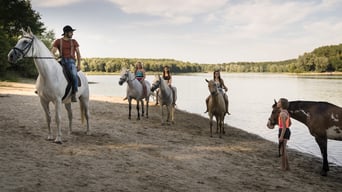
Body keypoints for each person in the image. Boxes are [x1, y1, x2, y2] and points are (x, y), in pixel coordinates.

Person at [51, 25, 81, 102]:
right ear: (66, 33)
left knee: (74, 75)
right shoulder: (58, 41)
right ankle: (41, 88)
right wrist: (53, 58)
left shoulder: (74, 42)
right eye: (71, 32)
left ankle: (74, 92)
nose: (72, 34)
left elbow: (78, 53)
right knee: (48, 70)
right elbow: (52, 52)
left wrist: (79, 64)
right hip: (61, 61)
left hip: (71, 62)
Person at [277, 98, 291, 171]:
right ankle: (287, 167)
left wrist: (281, 136)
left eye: (279, 102)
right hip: (286, 130)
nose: (277, 103)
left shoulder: (282, 113)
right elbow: (290, 123)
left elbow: (284, 127)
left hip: (283, 131)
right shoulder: (286, 112)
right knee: (284, 149)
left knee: (283, 150)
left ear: (281, 104)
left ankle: (283, 167)